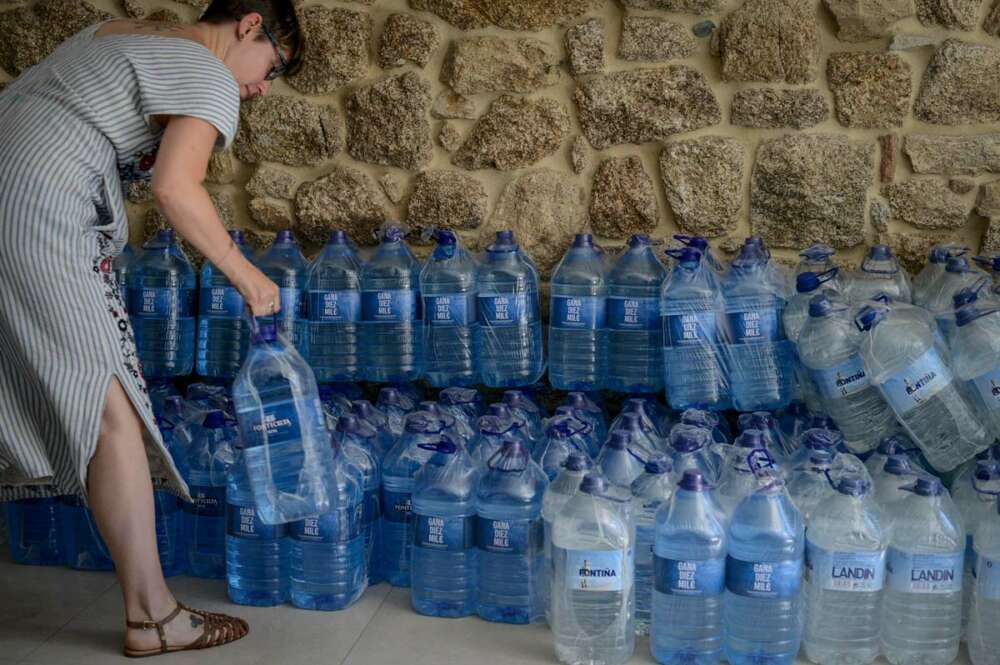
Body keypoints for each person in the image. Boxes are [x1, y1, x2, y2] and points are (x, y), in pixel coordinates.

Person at [0, 1, 302, 657]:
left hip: (10, 190)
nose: (262, 86)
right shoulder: (208, 69)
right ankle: (153, 617)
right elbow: (174, 185)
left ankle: (151, 611)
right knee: (111, 405)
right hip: (36, 209)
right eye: (272, 67)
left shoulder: (115, 34)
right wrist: (245, 274)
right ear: (250, 24)